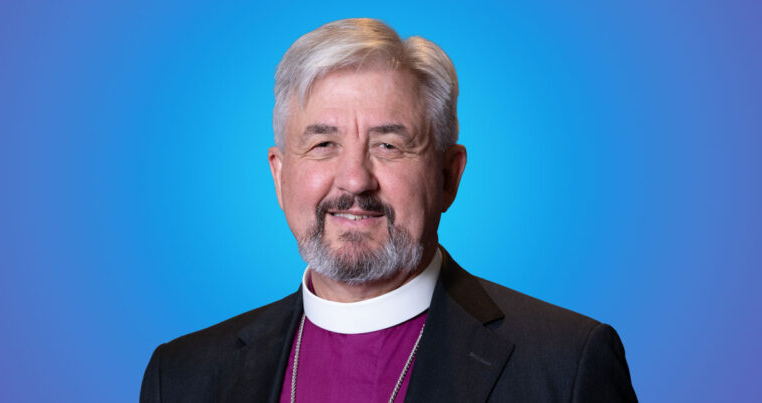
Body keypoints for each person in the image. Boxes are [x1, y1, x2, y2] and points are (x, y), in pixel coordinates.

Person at [140, 18, 637, 402]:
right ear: (279, 174)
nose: (355, 180)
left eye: (389, 145)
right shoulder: (183, 376)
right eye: (323, 144)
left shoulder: (565, 364)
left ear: (448, 175)